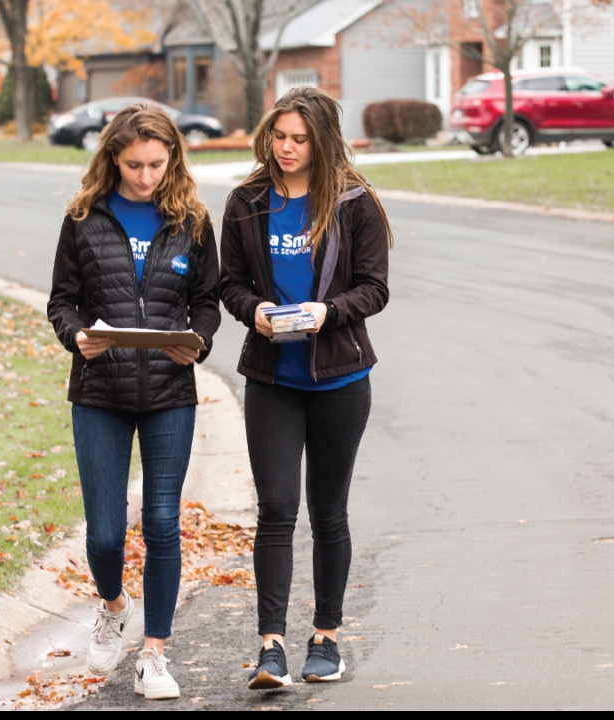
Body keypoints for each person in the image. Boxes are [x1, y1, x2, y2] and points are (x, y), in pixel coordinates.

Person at [219, 87, 392, 689]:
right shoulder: (246, 201)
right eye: (278, 137)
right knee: (275, 510)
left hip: (341, 379)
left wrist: (329, 313)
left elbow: (374, 287)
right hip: (273, 379)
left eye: (298, 139)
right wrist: (256, 310)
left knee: (328, 512)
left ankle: (326, 638)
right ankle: (271, 648)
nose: (285, 148)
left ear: (321, 141)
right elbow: (230, 283)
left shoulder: (353, 201)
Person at [47, 104, 219, 700]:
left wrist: (197, 343)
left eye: (155, 163)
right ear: (112, 159)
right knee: (103, 534)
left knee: (164, 523)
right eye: (132, 165)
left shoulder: (192, 220)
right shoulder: (83, 219)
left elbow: (207, 302)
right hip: (100, 393)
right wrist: (77, 337)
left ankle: (154, 655)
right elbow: (61, 303)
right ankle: (114, 605)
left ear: (172, 157)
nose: (145, 177)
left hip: (170, 393)